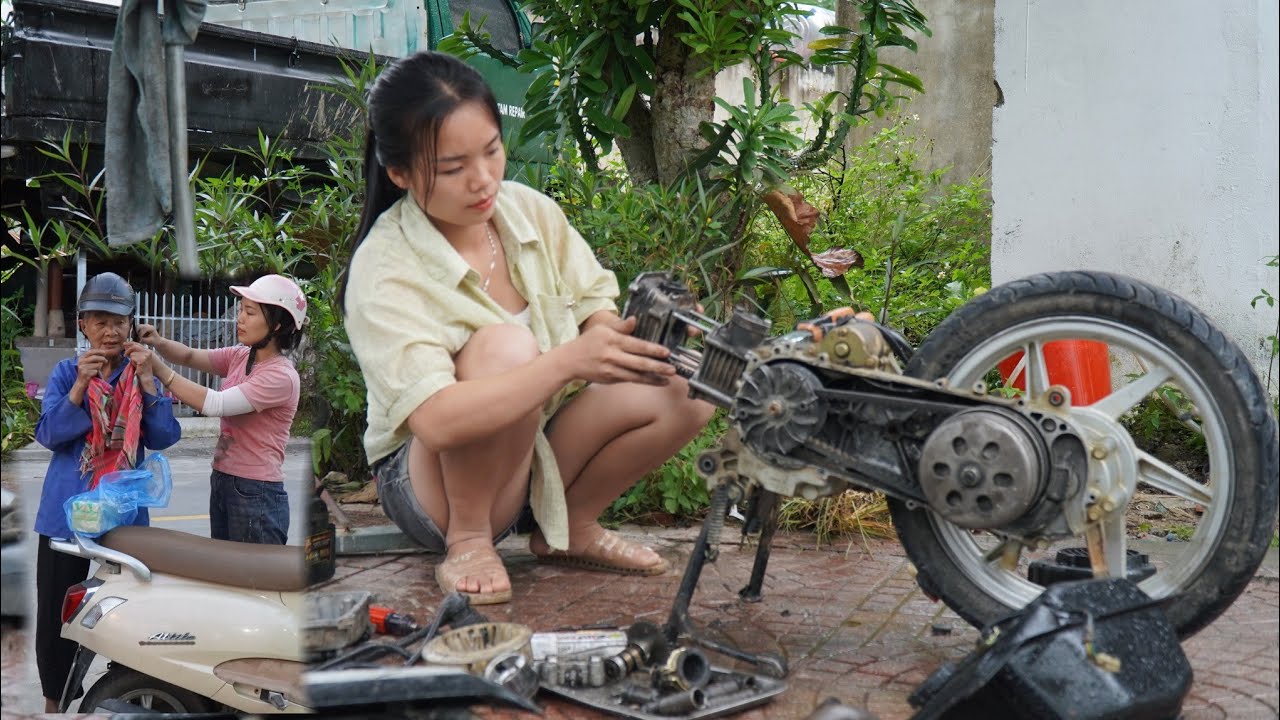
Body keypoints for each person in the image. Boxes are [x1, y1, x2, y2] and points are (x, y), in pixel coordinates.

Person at [342, 51, 716, 606]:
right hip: (432, 488)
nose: (483, 179)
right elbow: (438, 422)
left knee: (688, 386)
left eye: (491, 150)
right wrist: (567, 361)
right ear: (399, 173)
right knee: (505, 347)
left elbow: (595, 303)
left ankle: (571, 529)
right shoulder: (385, 267)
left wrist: (631, 339)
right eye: (452, 168)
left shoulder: (527, 211)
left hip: (530, 453)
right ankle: (468, 542)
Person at [33, 272, 181, 713]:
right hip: (66, 515)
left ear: (131, 323)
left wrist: (150, 382)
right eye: (99, 320)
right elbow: (49, 434)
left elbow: (164, 436)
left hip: (124, 515)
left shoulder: (140, 371)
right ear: (82, 325)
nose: (110, 330)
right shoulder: (64, 372)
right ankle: (54, 704)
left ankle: (127, 692)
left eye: (118, 320)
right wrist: (80, 387)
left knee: (133, 608)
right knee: (57, 618)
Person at [136, 274, 305, 545]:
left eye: (250, 312)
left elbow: (216, 404)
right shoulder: (241, 355)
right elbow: (190, 356)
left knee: (252, 581)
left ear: (277, 324)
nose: (240, 318)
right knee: (228, 577)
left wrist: (160, 370)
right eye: (241, 310)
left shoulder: (280, 376)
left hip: (256, 492)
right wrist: (158, 342)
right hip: (225, 480)